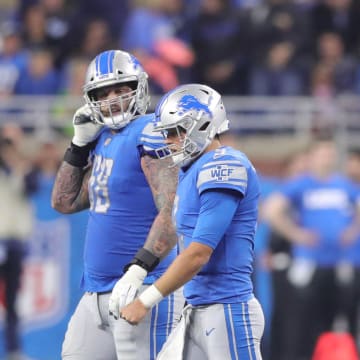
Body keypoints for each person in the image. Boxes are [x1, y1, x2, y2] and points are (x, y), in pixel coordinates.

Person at [51, 49, 184, 360]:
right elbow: (64, 201)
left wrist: (138, 271)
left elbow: (174, 211)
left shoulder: (149, 133)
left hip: (142, 287)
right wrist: (78, 146)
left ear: (138, 90)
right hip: (95, 292)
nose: (112, 99)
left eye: (120, 90)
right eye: (103, 92)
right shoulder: (102, 138)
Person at [120, 83, 265, 359]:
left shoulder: (224, 165)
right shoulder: (191, 169)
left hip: (227, 308)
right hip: (197, 308)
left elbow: (198, 253)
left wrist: (146, 300)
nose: (169, 141)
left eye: (176, 132)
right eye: (167, 134)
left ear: (204, 125)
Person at [0, 124, 34, 360]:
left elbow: (30, 188)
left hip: (15, 243)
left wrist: (17, 167)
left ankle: (13, 350)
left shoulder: (23, 170)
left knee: (12, 300)